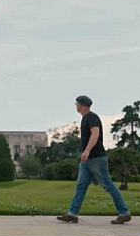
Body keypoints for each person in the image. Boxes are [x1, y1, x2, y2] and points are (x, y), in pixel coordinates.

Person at [57, 95, 132, 224]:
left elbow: (95, 134)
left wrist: (87, 151)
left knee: (107, 185)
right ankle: (72, 214)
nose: (76, 106)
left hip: (96, 158)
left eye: (77, 104)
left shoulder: (92, 117)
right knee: (81, 186)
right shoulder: (85, 118)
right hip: (87, 160)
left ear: (81, 105)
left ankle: (124, 213)